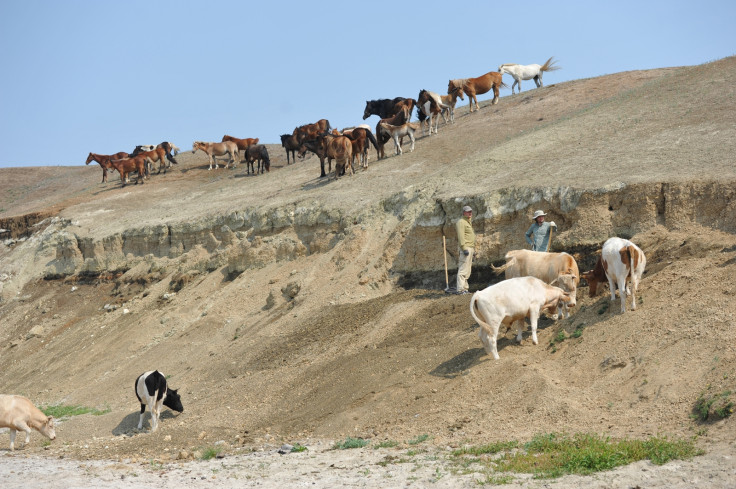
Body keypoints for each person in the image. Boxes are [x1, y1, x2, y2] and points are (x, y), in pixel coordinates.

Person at [455, 205, 476, 294]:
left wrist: (472, 250)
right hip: (466, 247)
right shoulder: (461, 222)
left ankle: (465, 288)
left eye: (470, 211)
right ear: (464, 213)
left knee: (467, 270)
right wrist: (464, 248)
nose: (470, 213)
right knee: (463, 269)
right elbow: (461, 236)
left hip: (470, 248)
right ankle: (460, 289)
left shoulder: (468, 222)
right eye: (468, 212)